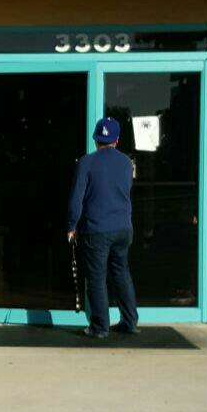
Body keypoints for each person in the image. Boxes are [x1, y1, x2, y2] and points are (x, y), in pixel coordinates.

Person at [66, 117, 139, 339]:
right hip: (123, 228)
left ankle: (100, 327)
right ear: (116, 140)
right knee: (121, 273)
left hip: (97, 229)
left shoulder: (86, 162)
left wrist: (71, 225)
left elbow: (76, 199)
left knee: (97, 277)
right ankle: (129, 321)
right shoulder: (127, 163)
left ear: (96, 139)